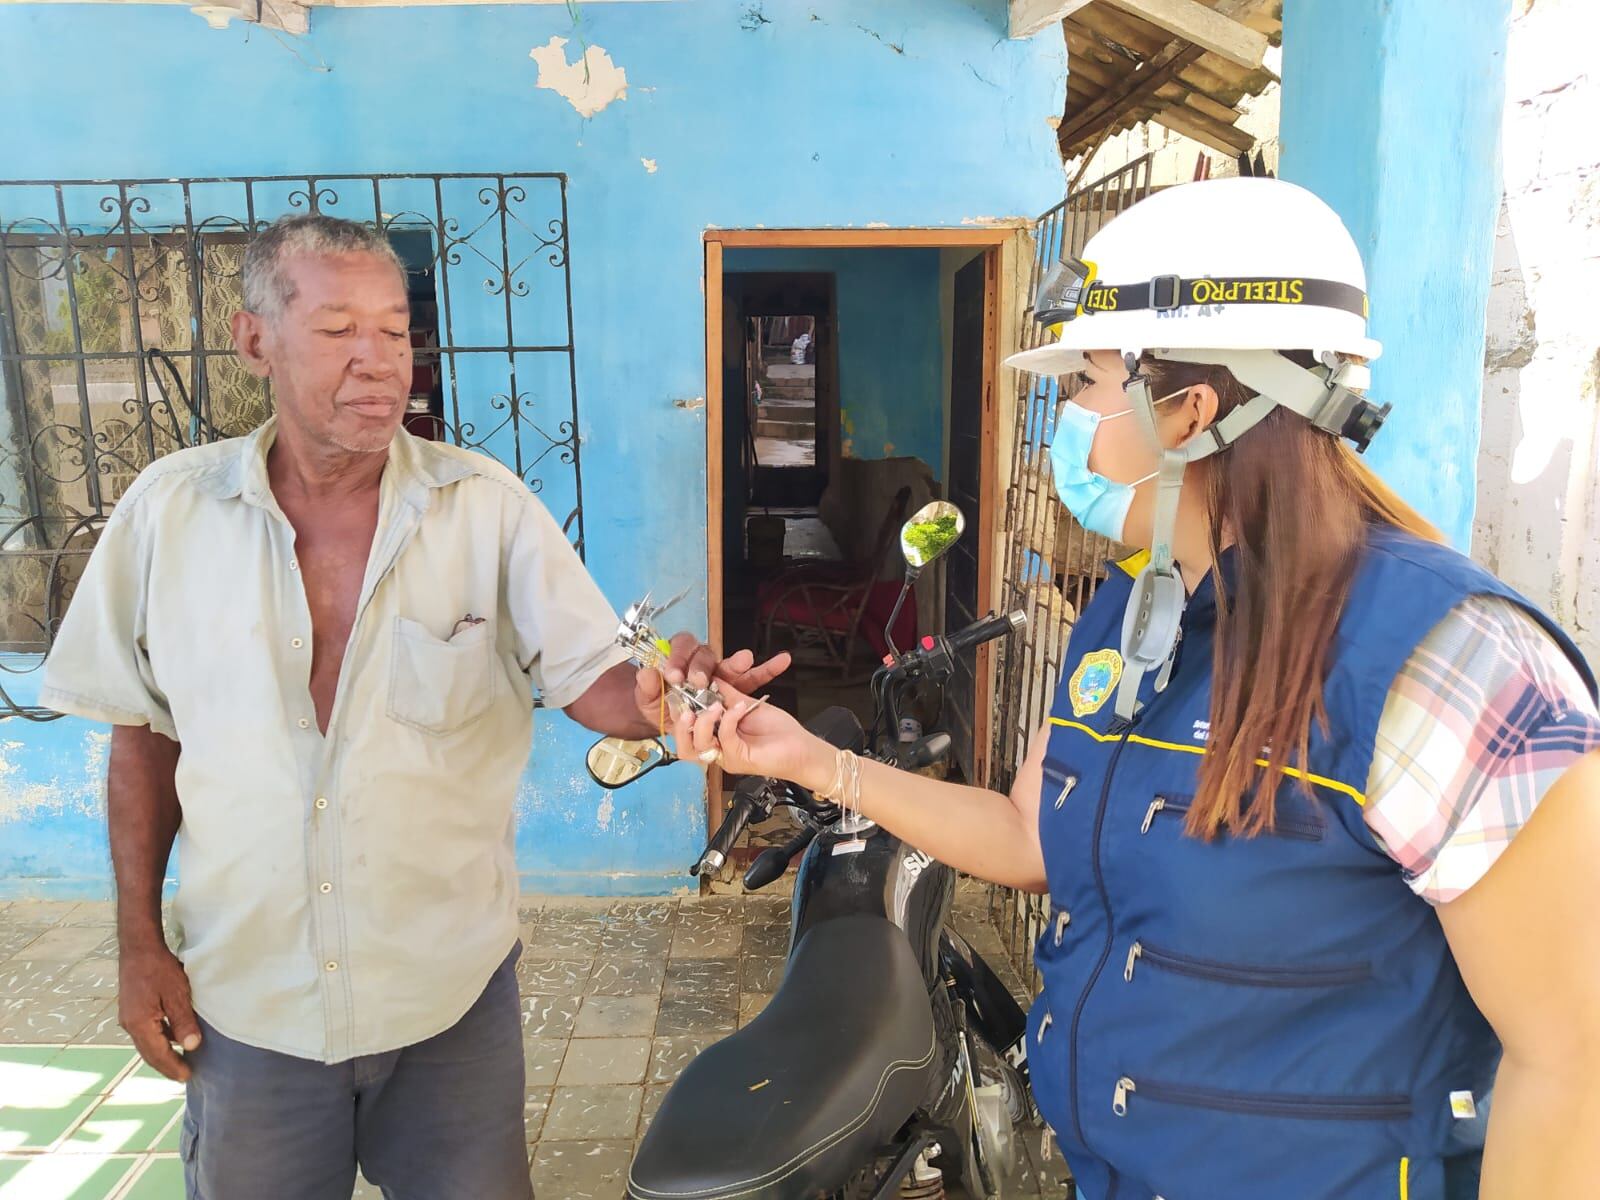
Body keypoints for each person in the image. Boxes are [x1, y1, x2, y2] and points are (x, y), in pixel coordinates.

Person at [680, 178, 1600, 1199]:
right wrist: (814, 761)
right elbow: (1030, 839)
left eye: (1084, 385)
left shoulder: (1450, 661)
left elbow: (1572, 1061)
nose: (1060, 429)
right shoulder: (1130, 616)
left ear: (1190, 411)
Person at [39, 213, 786, 1200]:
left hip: (448, 1007)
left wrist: (660, 697)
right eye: (339, 327)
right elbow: (143, 738)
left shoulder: (485, 508)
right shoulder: (167, 517)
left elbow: (595, 677)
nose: (377, 360)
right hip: (251, 1010)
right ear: (254, 338)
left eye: (394, 331)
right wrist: (140, 945)